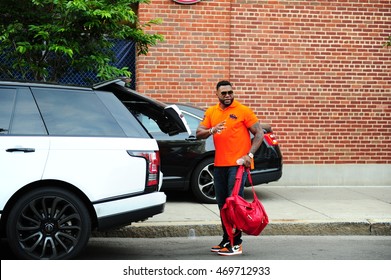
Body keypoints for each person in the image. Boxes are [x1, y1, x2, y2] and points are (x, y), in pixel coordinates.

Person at [196, 80, 264, 256]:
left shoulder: (243, 110)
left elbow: (259, 133)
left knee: (234, 205)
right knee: (222, 205)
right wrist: (212, 130)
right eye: (224, 93)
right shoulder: (212, 111)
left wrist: (249, 155)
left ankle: (236, 243)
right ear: (217, 94)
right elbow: (199, 133)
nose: (228, 96)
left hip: (237, 166)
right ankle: (227, 240)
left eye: (230, 92)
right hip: (219, 166)